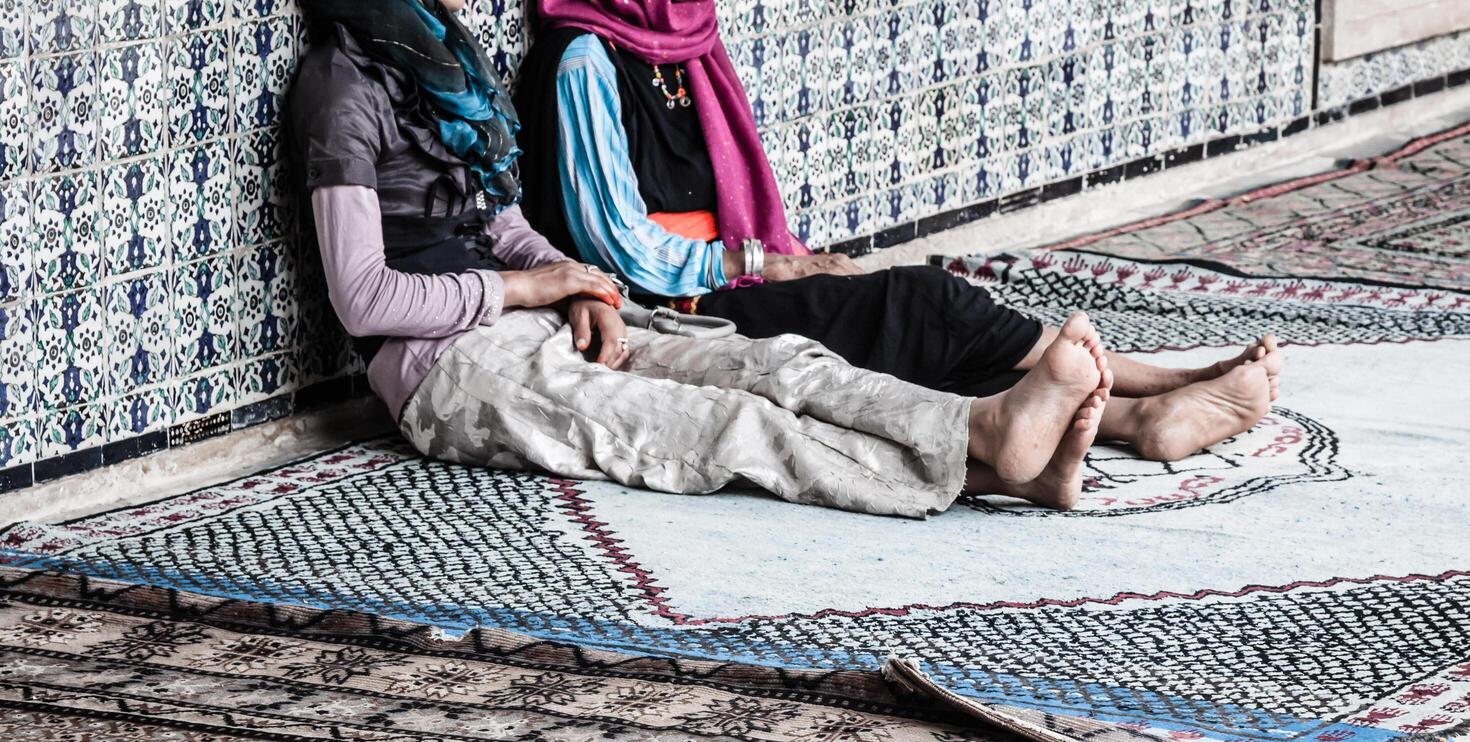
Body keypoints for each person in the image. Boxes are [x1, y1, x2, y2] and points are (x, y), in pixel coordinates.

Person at [286, 0, 1113, 518]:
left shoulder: (440, 62)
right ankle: (980, 448)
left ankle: (1005, 458)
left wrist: (583, 293)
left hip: (532, 315)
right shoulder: (342, 90)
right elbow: (364, 299)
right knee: (722, 428)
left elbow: (501, 224)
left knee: (775, 367)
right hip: (449, 366)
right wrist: (529, 285)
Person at [514, 0, 1285, 462]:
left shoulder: (685, 46)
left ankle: (1140, 420)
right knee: (924, 303)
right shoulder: (582, 58)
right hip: (668, 308)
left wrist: (786, 263)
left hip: (730, 277)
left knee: (913, 344)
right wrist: (773, 264)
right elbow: (615, 242)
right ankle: (1163, 381)